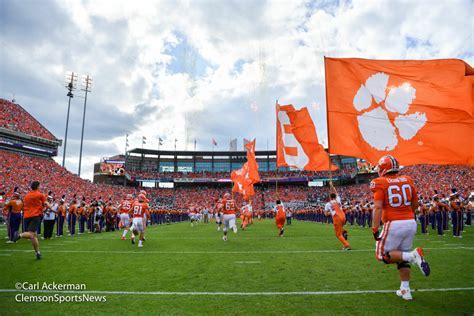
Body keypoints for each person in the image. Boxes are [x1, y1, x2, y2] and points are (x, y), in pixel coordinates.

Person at [370, 155, 430, 301]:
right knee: (401, 258)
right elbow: (415, 205)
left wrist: (374, 227)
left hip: (393, 223)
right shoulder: (408, 180)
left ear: (383, 168)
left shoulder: (379, 182)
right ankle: (405, 290)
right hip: (410, 221)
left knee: (382, 256)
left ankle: (413, 256)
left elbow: (378, 207)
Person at [12, 181, 50, 259]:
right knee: (31, 234)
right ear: (38, 186)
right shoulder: (40, 194)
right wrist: (48, 206)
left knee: (33, 235)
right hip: (35, 216)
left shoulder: (27, 195)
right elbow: (47, 204)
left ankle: (37, 253)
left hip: (27, 216)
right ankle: (19, 235)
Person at [324, 185, 350, 250]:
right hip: (343, 216)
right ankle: (344, 232)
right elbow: (336, 193)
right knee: (340, 229)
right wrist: (333, 187)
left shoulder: (327, 204)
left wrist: (331, 211)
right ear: (335, 196)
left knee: (338, 234)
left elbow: (326, 214)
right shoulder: (338, 199)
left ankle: (347, 245)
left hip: (337, 218)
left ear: (330, 197)